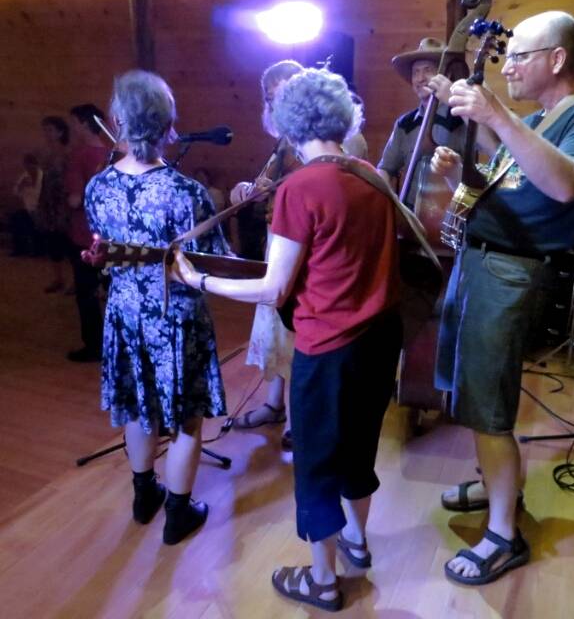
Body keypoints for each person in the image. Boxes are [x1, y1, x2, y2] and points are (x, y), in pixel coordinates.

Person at [171, 68, 402, 611]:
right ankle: (357, 542)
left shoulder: (300, 187)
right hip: (378, 341)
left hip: (330, 347)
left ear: (286, 120)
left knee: (317, 460)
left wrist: (199, 279)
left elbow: (274, 288)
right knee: (359, 448)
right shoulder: (371, 174)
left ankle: (322, 582)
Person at [430, 11, 574, 585]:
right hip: (484, 261)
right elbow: (510, 180)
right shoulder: (539, 118)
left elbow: (564, 184)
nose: (507, 65)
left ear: (556, 59)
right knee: (472, 390)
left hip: (514, 272)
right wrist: (462, 170)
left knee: (489, 406)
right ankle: (498, 488)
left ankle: (502, 535)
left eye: (520, 56)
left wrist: (497, 115)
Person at [84, 70, 230, 544]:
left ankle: (143, 493)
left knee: (136, 404)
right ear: (169, 122)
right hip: (176, 318)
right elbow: (219, 261)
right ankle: (178, 513)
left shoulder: (97, 188)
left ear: (117, 120)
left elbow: (104, 251)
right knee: (187, 416)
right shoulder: (188, 193)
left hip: (124, 313)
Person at [228, 60, 304, 450]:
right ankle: (275, 405)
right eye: (272, 97)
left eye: (285, 93)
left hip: (303, 245)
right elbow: (264, 188)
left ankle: (295, 418)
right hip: (279, 239)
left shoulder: (319, 139)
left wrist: (273, 188)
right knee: (274, 325)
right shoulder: (282, 143)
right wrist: (246, 188)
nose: (277, 103)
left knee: (289, 327)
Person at [378, 37, 465, 211]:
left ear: (444, 76)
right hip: (410, 214)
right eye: (415, 72)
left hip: (449, 214)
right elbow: (386, 168)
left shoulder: (461, 116)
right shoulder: (404, 124)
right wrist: (386, 202)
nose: (420, 78)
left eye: (427, 70)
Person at [66, 103, 110, 362]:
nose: (72, 128)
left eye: (73, 123)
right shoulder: (111, 154)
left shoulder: (79, 155)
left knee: (87, 294)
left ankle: (94, 346)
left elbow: (74, 200)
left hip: (84, 235)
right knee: (113, 292)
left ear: (83, 123)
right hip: (110, 237)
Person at [38, 116, 72, 293]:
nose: (47, 133)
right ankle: (58, 278)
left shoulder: (66, 153)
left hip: (62, 204)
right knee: (53, 243)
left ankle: (73, 281)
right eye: (45, 130)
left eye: (50, 130)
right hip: (49, 202)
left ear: (60, 132)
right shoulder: (48, 153)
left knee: (66, 242)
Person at [8, 153, 43, 257]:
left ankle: (37, 250)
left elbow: (41, 193)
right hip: (26, 208)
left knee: (32, 222)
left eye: (30, 166)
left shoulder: (42, 176)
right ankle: (20, 249)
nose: (28, 168)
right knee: (16, 219)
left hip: (39, 208)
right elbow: (15, 192)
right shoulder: (25, 176)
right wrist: (21, 185)